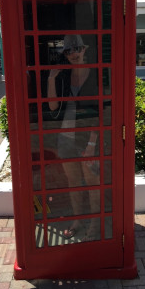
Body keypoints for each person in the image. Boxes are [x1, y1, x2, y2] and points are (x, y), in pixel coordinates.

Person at [47, 35, 100, 241]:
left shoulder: (94, 74)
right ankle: (78, 220)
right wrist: (51, 78)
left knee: (92, 181)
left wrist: (92, 144)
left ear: (84, 50)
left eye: (77, 48)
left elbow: (100, 112)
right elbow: (52, 107)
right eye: (69, 51)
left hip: (87, 139)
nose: (74, 54)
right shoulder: (63, 77)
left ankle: (95, 222)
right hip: (65, 138)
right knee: (73, 182)